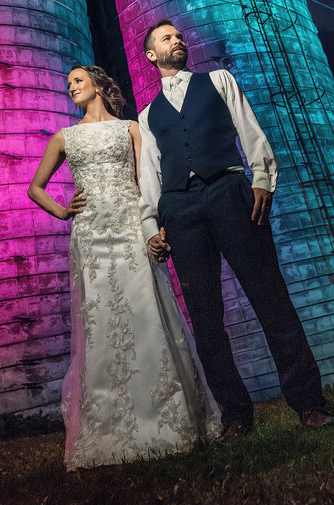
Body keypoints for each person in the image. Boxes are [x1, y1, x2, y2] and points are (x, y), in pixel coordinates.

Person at [138, 19, 334, 439]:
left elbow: (249, 128)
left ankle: (309, 403)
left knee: (271, 297)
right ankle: (235, 416)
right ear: (152, 55)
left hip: (229, 191)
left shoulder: (220, 80)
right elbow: (149, 174)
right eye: (166, 38)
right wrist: (151, 224)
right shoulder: (146, 114)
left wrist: (262, 177)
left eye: (178, 35)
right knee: (206, 319)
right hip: (180, 210)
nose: (178, 40)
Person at [28, 63, 218, 469]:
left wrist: (155, 224)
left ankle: (170, 418)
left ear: (97, 85)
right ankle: (110, 426)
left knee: (146, 312)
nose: (71, 88)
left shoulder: (131, 127)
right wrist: (63, 212)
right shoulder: (65, 137)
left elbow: (147, 179)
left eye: (77, 81)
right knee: (101, 321)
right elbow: (35, 188)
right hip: (92, 235)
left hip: (131, 226)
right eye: (68, 84)